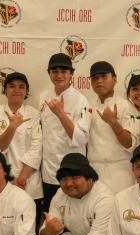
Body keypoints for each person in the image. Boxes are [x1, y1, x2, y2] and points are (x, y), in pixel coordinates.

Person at [0, 72, 43, 227]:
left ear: (26, 92)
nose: (16, 90)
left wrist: (22, 177)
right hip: (3, 182)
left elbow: (37, 147)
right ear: (5, 90)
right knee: (3, 229)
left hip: (29, 182)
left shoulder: (34, 114)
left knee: (29, 230)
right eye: (11, 86)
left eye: (21, 87)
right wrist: (12, 126)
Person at [39, 53, 91, 214]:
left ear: (71, 74)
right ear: (49, 73)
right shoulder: (43, 97)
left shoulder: (80, 100)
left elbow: (81, 138)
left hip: (72, 172)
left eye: (64, 71)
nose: (59, 75)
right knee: (50, 216)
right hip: (48, 171)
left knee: (72, 217)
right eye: (55, 71)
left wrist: (61, 114)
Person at [87, 61, 139, 193]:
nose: (99, 81)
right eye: (95, 78)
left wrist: (113, 123)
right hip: (94, 170)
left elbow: (130, 144)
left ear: (114, 79)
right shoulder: (88, 107)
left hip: (120, 171)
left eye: (104, 76)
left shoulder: (127, 107)